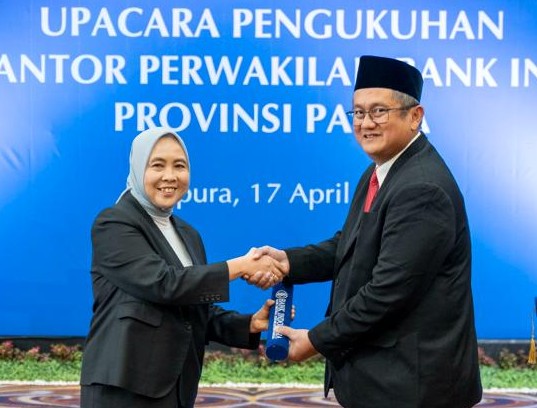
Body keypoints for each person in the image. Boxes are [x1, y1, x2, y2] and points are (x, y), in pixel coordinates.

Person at [250, 55, 483, 407]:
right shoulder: (381, 169)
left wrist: (316, 340)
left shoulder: (422, 188)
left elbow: (388, 292)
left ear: (415, 116)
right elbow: (352, 244)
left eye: (379, 111)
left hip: (412, 387)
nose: (366, 123)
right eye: (358, 112)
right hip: (383, 379)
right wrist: (288, 262)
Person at [80, 127, 285, 408]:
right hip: (124, 388)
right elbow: (164, 284)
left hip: (176, 390)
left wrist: (250, 323)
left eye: (179, 166)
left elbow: (193, 306)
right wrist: (240, 266)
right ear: (138, 168)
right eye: (157, 165)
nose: (170, 176)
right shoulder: (114, 223)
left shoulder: (188, 234)